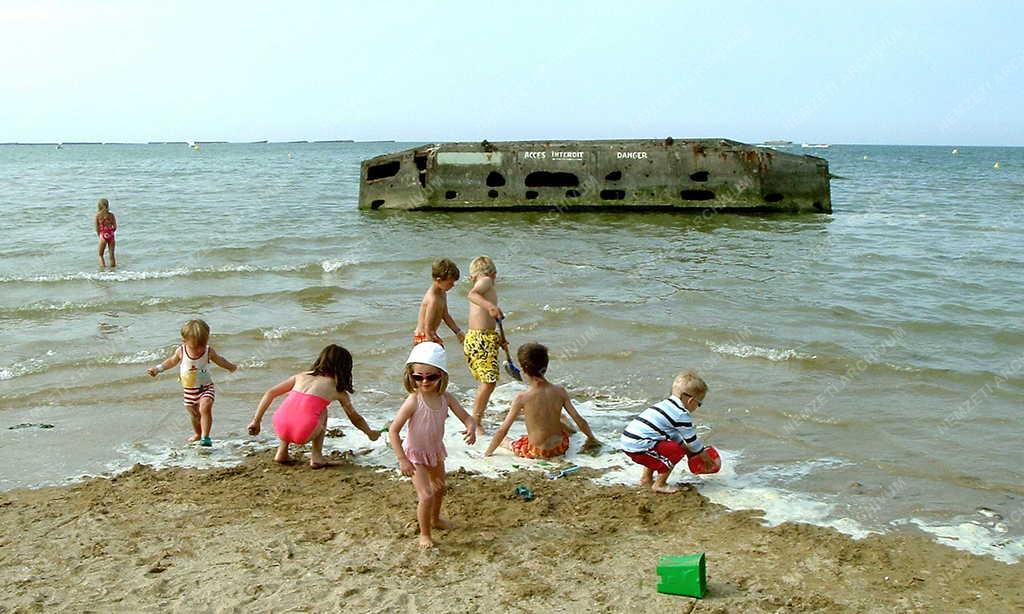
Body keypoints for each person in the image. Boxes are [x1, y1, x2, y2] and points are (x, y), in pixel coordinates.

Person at [388, 342, 476, 548]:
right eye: (418, 377)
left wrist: (471, 427)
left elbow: (467, 418)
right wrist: (402, 459)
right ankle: (424, 534)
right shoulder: (413, 401)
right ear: (411, 376)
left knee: (439, 487)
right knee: (426, 495)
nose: (424, 381)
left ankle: (436, 520)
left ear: (442, 376)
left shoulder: (446, 398)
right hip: (414, 456)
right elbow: (393, 430)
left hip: (435, 452)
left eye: (431, 377)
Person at [247, 344, 380, 468]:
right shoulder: (338, 390)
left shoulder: (301, 376)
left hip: (279, 426)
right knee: (322, 410)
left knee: (293, 404)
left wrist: (256, 421)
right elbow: (355, 418)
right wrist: (369, 433)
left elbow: (270, 393)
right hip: (303, 431)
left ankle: (282, 452)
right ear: (345, 368)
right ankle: (317, 457)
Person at [484, 342, 600, 459]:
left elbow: (502, 430)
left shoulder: (522, 398)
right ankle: (571, 431)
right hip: (560, 448)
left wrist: (487, 453)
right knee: (562, 417)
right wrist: (592, 439)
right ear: (546, 365)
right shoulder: (560, 391)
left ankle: (508, 444)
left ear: (524, 368)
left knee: (506, 441)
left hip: (537, 451)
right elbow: (580, 420)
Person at [619, 370, 718, 494]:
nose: (697, 407)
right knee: (675, 451)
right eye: (699, 404)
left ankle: (646, 478)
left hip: (630, 441)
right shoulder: (681, 414)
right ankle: (659, 484)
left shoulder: (665, 405)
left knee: (659, 448)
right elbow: (692, 442)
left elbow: (673, 435)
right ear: (691, 401)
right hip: (638, 445)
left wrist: (689, 452)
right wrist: (704, 457)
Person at [147, 319, 237, 446]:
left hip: (206, 387)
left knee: (205, 407)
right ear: (184, 341)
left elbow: (219, 360)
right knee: (195, 415)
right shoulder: (181, 351)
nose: (200, 349)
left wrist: (231, 367)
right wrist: (158, 369)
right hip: (189, 390)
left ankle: (206, 437)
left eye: (203, 344)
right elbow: (171, 362)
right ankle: (198, 434)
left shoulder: (208, 351)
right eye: (195, 346)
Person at [464, 255, 505, 435]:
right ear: (494, 274)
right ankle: (475, 422)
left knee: (486, 382)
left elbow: (486, 321)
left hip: (481, 337)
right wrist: (490, 306)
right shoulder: (486, 280)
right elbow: (472, 294)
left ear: (471, 276)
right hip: (481, 339)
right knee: (489, 383)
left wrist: (499, 338)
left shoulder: (483, 283)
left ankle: (476, 417)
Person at [413, 258, 465, 347]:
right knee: (438, 351)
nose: (453, 285)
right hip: (423, 336)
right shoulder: (433, 300)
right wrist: (431, 346)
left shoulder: (442, 293)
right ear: (439, 280)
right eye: (450, 283)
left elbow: (445, 315)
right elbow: (427, 328)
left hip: (431, 333)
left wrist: (457, 331)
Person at [94, 198, 117, 268]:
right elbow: (115, 226)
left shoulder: (98, 216)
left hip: (103, 235)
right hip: (111, 235)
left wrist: (100, 235)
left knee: (100, 255)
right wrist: (111, 232)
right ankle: (113, 271)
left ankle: (104, 272)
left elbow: (97, 228)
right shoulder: (111, 215)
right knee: (112, 255)